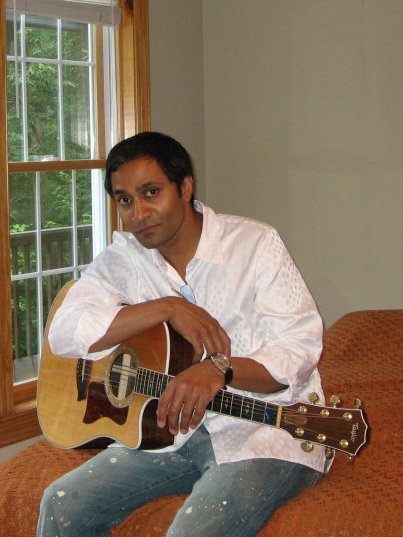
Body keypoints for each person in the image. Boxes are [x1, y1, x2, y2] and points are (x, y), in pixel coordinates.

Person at [37, 131, 328, 536]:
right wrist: (168, 308)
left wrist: (220, 369)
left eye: (151, 192)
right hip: (170, 434)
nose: (139, 213)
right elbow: (64, 334)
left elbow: (299, 348)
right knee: (62, 502)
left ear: (185, 187)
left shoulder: (255, 244)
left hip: (267, 431)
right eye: (125, 200)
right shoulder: (124, 258)